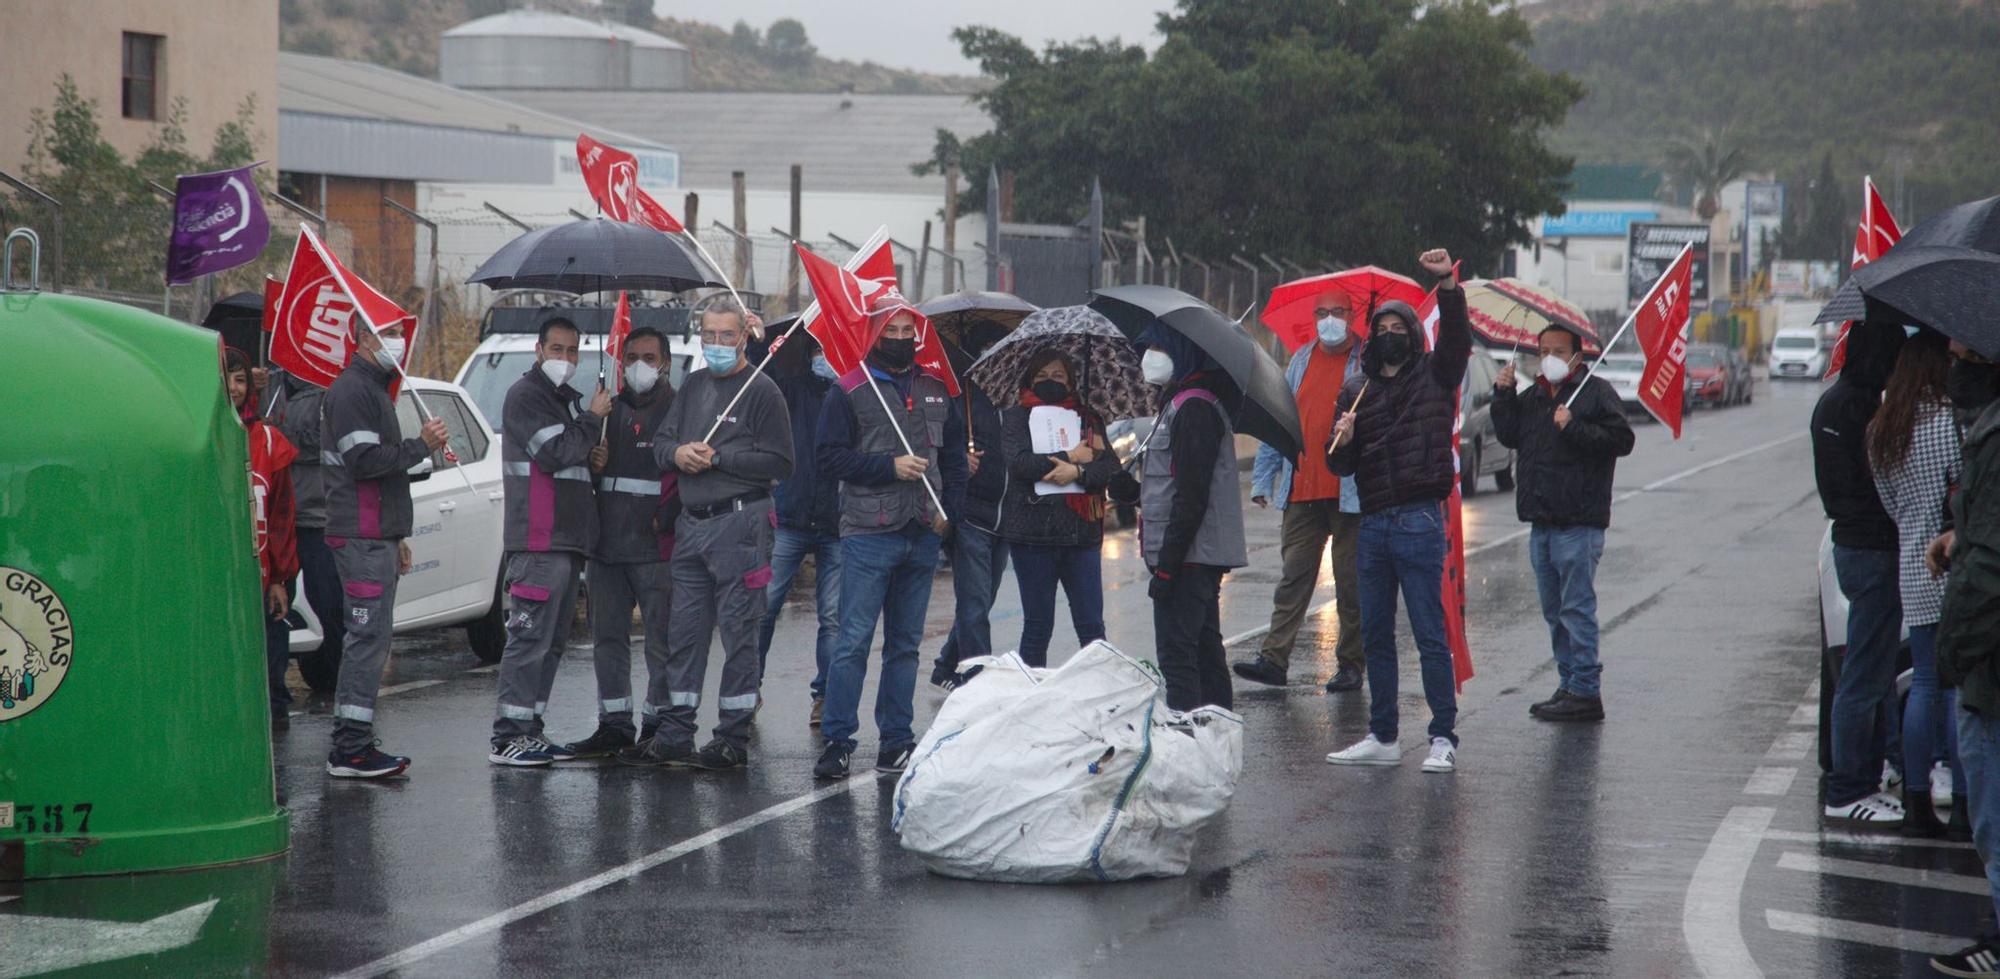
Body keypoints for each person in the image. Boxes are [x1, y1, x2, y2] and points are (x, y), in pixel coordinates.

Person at [621, 300, 792, 771]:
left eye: (726, 335)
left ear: (743, 337)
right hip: (692, 527)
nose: (716, 343)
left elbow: (780, 462)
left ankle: (732, 736)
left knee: (740, 632)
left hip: (742, 525)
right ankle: (677, 731)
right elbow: (661, 444)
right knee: (685, 632)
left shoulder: (763, 392)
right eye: (709, 335)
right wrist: (679, 454)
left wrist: (718, 458)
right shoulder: (693, 385)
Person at [1324, 248, 1469, 775]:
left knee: (1429, 633)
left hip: (1419, 521)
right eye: (1381, 326)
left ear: (1412, 332)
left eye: (1398, 325)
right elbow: (1337, 465)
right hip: (1374, 523)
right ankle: (1383, 734)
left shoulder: (1434, 374)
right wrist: (1342, 439)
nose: (1390, 333)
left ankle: (1442, 736)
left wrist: (1448, 286)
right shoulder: (1355, 390)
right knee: (1376, 633)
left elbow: (1457, 340)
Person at [813, 300, 968, 779]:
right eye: (891, 329)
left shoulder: (938, 388)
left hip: (922, 533)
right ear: (874, 334)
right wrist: (888, 467)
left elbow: (957, 461)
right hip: (866, 535)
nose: (901, 337)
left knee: (905, 646)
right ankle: (837, 740)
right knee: (853, 642)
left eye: (908, 329)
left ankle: (896, 741)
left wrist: (951, 516)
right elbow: (828, 458)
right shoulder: (849, 389)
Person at [1490, 323, 1635, 723]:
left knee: (1576, 609)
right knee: (1554, 611)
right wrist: (1502, 394)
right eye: (1544, 351)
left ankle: (1586, 690)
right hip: (1541, 520)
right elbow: (1510, 435)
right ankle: (1569, 682)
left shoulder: (1595, 391)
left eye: (1559, 351)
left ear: (1577, 356)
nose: (1550, 358)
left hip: (1578, 521)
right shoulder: (1536, 395)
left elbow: (1621, 440)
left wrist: (1573, 426)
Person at [322, 320, 449, 778]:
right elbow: (364, 462)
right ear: (362, 339)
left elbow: (384, 473)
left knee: (372, 638)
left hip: (377, 534)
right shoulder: (353, 391)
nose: (397, 340)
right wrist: (422, 445)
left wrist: (397, 535)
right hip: (361, 534)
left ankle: (354, 741)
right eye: (387, 332)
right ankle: (350, 749)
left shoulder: (374, 389)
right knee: (366, 639)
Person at [491, 316, 610, 767]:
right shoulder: (527, 396)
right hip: (539, 541)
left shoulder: (562, 402)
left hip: (566, 541)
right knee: (528, 640)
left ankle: (530, 728)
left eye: (572, 351)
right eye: (556, 349)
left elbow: (572, 461)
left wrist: (592, 451)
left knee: (551, 642)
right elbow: (555, 453)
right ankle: (507, 736)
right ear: (539, 350)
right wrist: (592, 420)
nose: (565, 358)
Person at [560, 327, 680, 759]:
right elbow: (584, 478)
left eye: (649, 358)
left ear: (665, 362)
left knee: (660, 642)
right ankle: (614, 725)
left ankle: (656, 724)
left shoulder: (678, 409)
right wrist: (595, 463)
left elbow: (685, 479)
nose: (639, 367)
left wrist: (663, 520)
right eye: (631, 358)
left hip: (655, 551)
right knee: (607, 639)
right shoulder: (607, 408)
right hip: (606, 547)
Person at [1867, 329, 1968, 838]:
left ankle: (1913, 798)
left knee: (1925, 683)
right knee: (1955, 688)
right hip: (1954, 562)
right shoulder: (1951, 422)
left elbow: (1888, 503)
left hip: (1911, 563)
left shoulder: (1884, 430)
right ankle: (1967, 798)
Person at [1239, 291, 1366, 691]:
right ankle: (1274, 659)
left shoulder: (1366, 362)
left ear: (1352, 315)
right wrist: (1264, 479)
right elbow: (1279, 421)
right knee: (1293, 578)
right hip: (1301, 489)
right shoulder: (1300, 360)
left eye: (1338, 312)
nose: (1330, 320)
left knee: (1350, 583)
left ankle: (1350, 665)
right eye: (1322, 313)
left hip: (1349, 493)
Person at [1812, 319, 1908, 824]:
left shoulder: (1833, 402)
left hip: (1852, 545)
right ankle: (1849, 789)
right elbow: (1883, 483)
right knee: (1865, 677)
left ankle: (1863, 777)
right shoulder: (1862, 408)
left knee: (1865, 672)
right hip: (1872, 549)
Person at [1130, 324, 1246, 713]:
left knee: (1180, 658)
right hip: (1190, 554)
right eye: (1150, 346)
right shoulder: (1178, 402)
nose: (1151, 355)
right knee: (1204, 649)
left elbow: (1192, 496)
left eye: (1162, 346)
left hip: (1189, 557)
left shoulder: (1194, 408)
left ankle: (1191, 738)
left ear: (1184, 351)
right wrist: (1131, 491)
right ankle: (1215, 735)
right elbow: (1172, 483)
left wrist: (1167, 568)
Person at [1930, 340, 2000, 974]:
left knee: (1993, 819)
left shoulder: (1994, 438)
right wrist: (1959, 534)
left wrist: (1952, 649)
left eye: (1962, 351)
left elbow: (1991, 566)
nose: (1952, 363)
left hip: (1990, 666)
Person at [995, 350, 1118, 668]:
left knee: (1092, 627)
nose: (1050, 382)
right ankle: (1032, 697)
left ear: (1072, 380)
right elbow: (1019, 463)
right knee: (1037, 627)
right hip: (1032, 536)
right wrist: (1071, 456)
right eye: (1042, 375)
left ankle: (1099, 692)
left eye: (1059, 376)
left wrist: (1078, 474)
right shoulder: (1016, 417)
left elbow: (1109, 468)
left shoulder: (1089, 418)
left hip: (1081, 534)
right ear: (1030, 378)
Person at [757, 336, 844, 727]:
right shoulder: (791, 391)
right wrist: (760, 344)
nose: (824, 359)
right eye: (819, 352)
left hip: (839, 521)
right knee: (764, 607)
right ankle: (747, 689)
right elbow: (760, 379)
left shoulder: (854, 394)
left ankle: (825, 696)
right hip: (791, 516)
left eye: (831, 352)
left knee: (833, 617)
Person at [226, 349, 300, 727]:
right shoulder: (198, 440)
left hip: (263, 577)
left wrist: (280, 579)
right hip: (221, 580)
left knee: (270, 661)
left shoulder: (268, 440)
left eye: (241, 380)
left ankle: (274, 721)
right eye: (228, 380)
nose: (235, 388)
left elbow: (282, 515)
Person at [265, 366, 344, 706]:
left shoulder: (335, 385)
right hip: (275, 521)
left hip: (319, 519)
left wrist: (278, 433)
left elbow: (324, 444)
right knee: (273, 613)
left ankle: (347, 692)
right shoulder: (267, 383)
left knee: (333, 608)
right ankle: (274, 700)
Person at [928, 368, 1010, 687]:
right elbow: (935, 443)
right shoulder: (957, 394)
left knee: (982, 600)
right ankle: (979, 682)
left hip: (1005, 515)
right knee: (974, 604)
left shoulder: (1014, 394)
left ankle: (945, 665)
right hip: (970, 513)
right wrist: (960, 457)